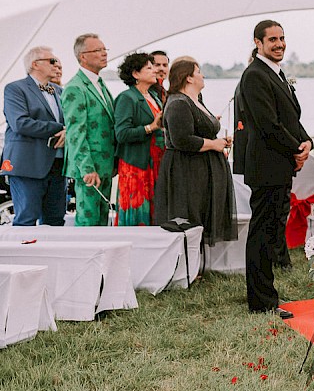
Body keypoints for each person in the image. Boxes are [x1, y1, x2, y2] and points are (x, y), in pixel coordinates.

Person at [233, 20, 312, 318]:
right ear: (258, 42)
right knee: (262, 233)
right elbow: (268, 124)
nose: (279, 44)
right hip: (266, 165)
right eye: (272, 40)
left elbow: (290, 117)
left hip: (279, 164)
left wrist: (306, 143)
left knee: (270, 231)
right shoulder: (254, 75)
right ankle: (261, 301)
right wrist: (295, 149)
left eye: (282, 38)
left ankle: (267, 294)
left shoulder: (275, 73)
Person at [154, 58, 237, 245]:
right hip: (186, 168)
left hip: (201, 167)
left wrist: (220, 142)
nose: (203, 75)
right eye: (198, 71)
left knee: (201, 211)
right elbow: (181, 139)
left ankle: (199, 264)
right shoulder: (178, 103)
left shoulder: (195, 100)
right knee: (188, 213)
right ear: (189, 78)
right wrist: (213, 144)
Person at [1, 47, 67, 226]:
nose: (57, 65)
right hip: (27, 165)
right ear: (35, 64)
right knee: (26, 220)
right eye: (52, 61)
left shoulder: (60, 91)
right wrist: (61, 128)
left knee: (56, 221)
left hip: (58, 165)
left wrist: (69, 131)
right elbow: (20, 123)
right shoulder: (15, 88)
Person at [62, 34, 117, 226]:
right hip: (90, 168)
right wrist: (86, 168)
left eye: (104, 50)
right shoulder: (75, 88)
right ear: (82, 56)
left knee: (102, 221)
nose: (103, 54)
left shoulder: (100, 84)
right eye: (97, 50)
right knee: (88, 221)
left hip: (106, 165)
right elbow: (75, 133)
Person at [112, 53, 164, 226]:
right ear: (135, 74)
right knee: (138, 213)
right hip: (137, 166)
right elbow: (122, 134)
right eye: (149, 67)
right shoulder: (127, 98)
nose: (155, 70)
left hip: (155, 163)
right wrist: (150, 127)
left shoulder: (154, 96)